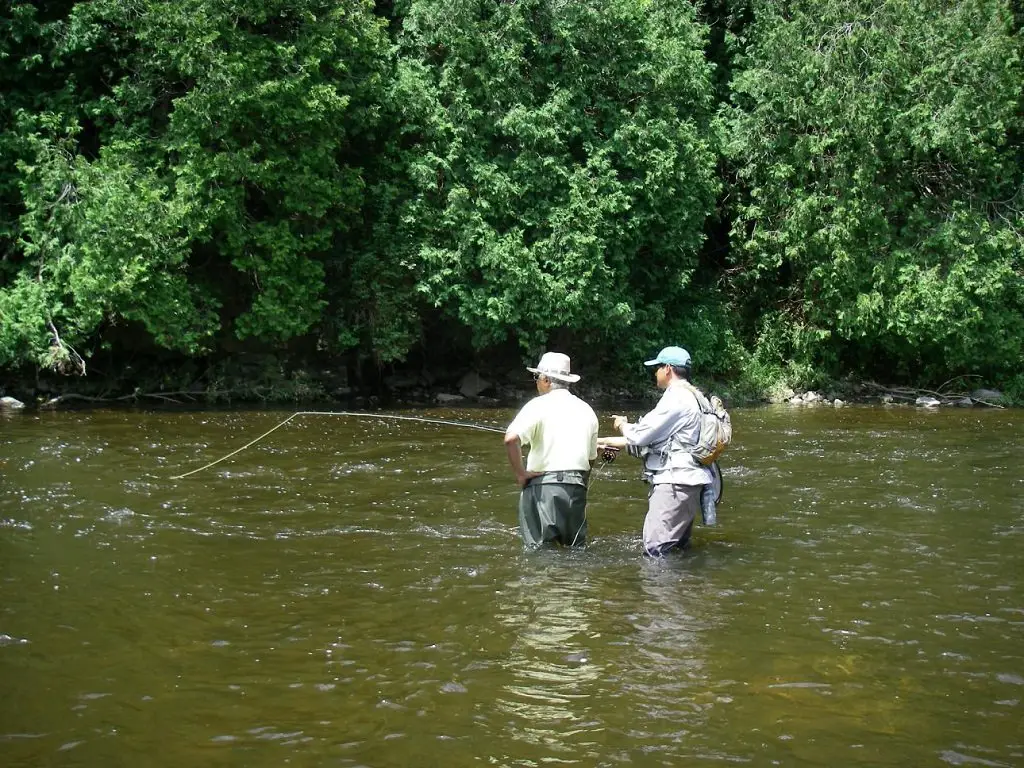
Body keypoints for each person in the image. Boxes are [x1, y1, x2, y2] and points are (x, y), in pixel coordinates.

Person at [597, 346, 714, 556]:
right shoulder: (696, 396)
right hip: (692, 481)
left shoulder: (676, 398)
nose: (655, 372)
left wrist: (622, 425)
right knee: (678, 549)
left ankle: (658, 589)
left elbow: (641, 435)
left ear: (668, 369)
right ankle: (686, 588)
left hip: (675, 483)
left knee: (655, 551)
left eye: (658, 367)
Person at [504, 352, 599, 548]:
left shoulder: (537, 406)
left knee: (539, 555)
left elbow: (511, 439)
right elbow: (590, 460)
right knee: (576, 554)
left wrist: (521, 474)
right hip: (576, 488)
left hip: (542, 487)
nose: (536, 382)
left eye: (537, 377)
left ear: (546, 380)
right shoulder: (587, 410)